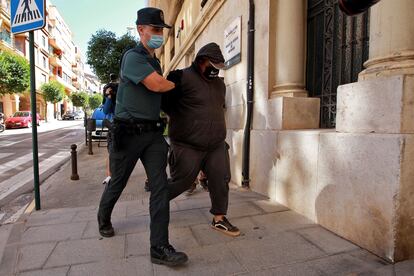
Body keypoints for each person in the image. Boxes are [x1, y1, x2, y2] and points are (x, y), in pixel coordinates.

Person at [97, 7, 188, 266]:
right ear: (141, 30)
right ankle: (103, 217)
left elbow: (158, 94)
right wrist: (181, 83)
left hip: (152, 135)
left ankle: (159, 248)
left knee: (160, 187)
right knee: (118, 182)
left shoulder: (154, 61)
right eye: (155, 29)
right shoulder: (133, 57)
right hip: (127, 134)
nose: (160, 34)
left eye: (161, 30)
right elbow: (157, 85)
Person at [163, 42, 240, 237]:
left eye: (219, 67)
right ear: (200, 60)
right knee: (181, 182)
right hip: (187, 144)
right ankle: (158, 202)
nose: (216, 71)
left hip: (215, 144)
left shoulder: (220, 84)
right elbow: (166, 106)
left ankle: (219, 219)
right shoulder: (179, 77)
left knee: (221, 179)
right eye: (212, 66)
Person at [102, 73, 118, 186]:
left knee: (114, 152)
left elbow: (106, 111)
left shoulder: (119, 98)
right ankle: (109, 176)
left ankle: (112, 175)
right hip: (114, 128)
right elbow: (106, 110)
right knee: (111, 153)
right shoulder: (109, 100)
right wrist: (108, 97)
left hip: (120, 127)